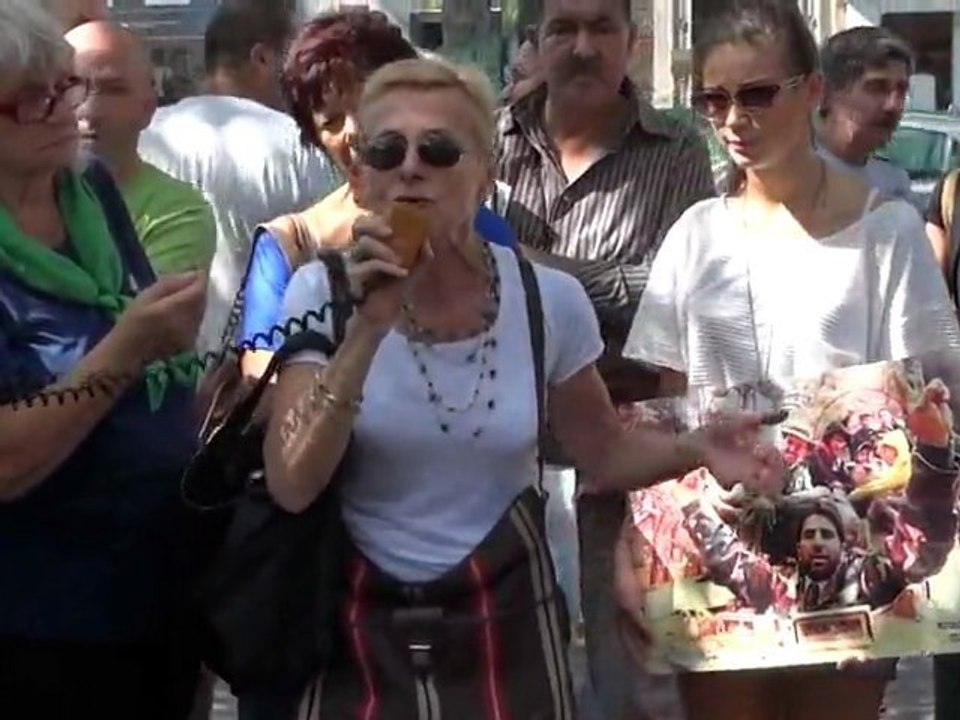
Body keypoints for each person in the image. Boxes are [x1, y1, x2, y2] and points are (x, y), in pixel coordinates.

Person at [265, 56, 780, 719]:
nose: (412, 168)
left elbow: (603, 452)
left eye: (439, 149)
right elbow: (292, 482)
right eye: (387, 151)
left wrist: (697, 447)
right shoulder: (323, 292)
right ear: (362, 179)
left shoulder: (547, 300)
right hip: (360, 622)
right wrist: (367, 329)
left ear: (485, 177)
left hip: (505, 618)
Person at [619, 1, 960, 719]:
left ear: (812, 91)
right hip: (716, 540)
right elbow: (668, 407)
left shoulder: (887, 232)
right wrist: (635, 540)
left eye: (756, 94)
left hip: (851, 542)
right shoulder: (696, 234)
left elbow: (928, 399)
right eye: (713, 100)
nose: (733, 119)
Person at [495, 0, 716, 715]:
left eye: (602, 28)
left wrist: (537, 270)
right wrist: (606, 286)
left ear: (633, 40)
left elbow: (676, 290)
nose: (583, 47)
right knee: (507, 679)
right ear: (536, 40)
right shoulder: (487, 140)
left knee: (630, 686)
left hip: (625, 458)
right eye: (564, 29)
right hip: (497, 458)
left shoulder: (676, 151)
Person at [0, 2, 206, 717]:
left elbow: (148, 343)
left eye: (67, 84)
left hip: (158, 595)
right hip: (40, 625)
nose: (70, 109)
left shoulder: (90, 190)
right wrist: (129, 348)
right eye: (34, 99)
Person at [238, 10, 516, 380]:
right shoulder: (290, 245)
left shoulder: (476, 225)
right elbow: (260, 382)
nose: (354, 132)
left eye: (365, 105)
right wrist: (358, 329)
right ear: (315, 140)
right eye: (331, 121)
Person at [140, 2, 339, 355]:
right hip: (268, 368)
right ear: (263, 58)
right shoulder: (299, 144)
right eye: (296, 61)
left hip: (154, 364)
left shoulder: (145, 136)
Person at [66, 20, 216, 276]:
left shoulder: (177, 211)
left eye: (113, 90)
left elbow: (145, 301)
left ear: (147, 106)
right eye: (71, 86)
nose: (89, 110)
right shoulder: (16, 195)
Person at [816, 27, 914, 202]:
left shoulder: (895, 184)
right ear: (825, 94)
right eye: (877, 88)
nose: (893, 105)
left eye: (901, 90)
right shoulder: (791, 179)